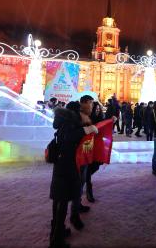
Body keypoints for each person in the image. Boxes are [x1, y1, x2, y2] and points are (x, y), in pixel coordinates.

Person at [49, 102, 98, 248]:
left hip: (61, 165)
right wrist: (87, 129)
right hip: (68, 166)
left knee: (58, 201)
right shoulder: (70, 124)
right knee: (62, 202)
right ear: (76, 112)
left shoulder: (63, 122)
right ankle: (57, 241)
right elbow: (70, 137)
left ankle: (57, 231)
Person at [70, 95, 95, 231]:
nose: (91, 106)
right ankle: (74, 215)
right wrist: (87, 130)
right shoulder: (76, 116)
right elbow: (73, 134)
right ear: (84, 103)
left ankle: (78, 205)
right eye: (90, 103)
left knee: (82, 181)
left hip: (85, 154)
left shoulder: (85, 115)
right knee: (77, 185)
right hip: (76, 156)